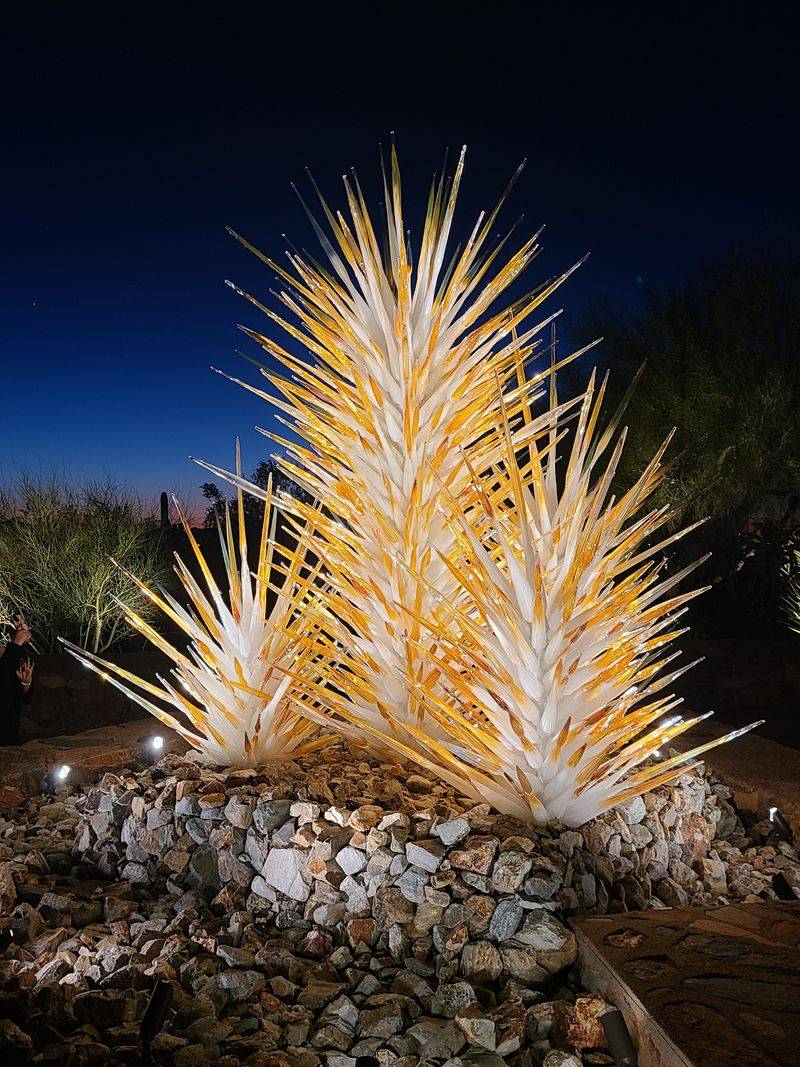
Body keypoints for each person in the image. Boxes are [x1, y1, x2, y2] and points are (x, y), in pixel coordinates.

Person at [0, 615, 35, 745]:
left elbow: (24, 697)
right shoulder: (12, 651)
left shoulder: (15, 653)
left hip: (9, 726)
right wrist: (15, 645)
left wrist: (26, 683)